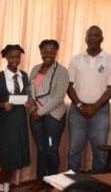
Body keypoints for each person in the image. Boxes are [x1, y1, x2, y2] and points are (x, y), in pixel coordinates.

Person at [67, 25, 111, 173]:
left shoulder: (110, 61)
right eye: (90, 35)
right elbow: (69, 85)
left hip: (100, 112)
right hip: (78, 111)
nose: (93, 38)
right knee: (74, 149)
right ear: (85, 39)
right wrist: (79, 105)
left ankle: (98, 183)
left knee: (100, 151)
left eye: (96, 35)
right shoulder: (76, 59)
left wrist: (94, 107)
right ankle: (73, 184)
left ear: (102, 38)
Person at [26, 39, 69, 192]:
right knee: (41, 149)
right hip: (36, 117)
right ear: (41, 52)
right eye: (45, 51)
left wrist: (40, 112)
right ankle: (41, 180)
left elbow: (58, 97)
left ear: (56, 52)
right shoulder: (35, 69)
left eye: (52, 51)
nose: (48, 54)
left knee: (51, 149)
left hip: (53, 118)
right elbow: (30, 91)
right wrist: (32, 109)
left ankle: (53, 184)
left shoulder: (62, 71)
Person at [0, 44, 31, 192]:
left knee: (17, 157)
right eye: (11, 56)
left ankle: (6, 186)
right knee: (8, 157)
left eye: (17, 56)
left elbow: (26, 95)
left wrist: (28, 102)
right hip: (6, 122)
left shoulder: (24, 76)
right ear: (6, 57)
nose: (14, 59)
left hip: (20, 121)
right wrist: (2, 105)